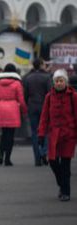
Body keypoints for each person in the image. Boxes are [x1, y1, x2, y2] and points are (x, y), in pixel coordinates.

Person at [38, 69, 77, 202]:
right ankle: (62, 184)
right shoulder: (49, 97)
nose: (59, 83)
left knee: (65, 164)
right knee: (53, 161)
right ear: (53, 83)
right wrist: (41, 134)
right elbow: (44, 117)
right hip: (54, 135)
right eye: (56, 81)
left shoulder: (73, 96)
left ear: (66, 82)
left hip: (68, 135)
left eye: (61, 81)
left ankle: (66, 191)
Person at [0, 64, 28, 166]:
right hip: (13, 108)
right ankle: (7, 159)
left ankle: (0, 155)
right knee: (10, 135)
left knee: (3, 134)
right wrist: (24, 110)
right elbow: (21, 100)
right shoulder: (17, 83)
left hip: (1, 107)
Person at [23, 58, 51, 166]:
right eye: (44, 64)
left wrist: (28, 104)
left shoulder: (28, 78)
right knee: (45, 130)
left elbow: (25, 95)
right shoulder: (47, 77)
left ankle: (37, 158)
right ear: (40, 65)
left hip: (32, 106)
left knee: (35, 132)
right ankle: (44, 151)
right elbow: (50, 93)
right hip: (44, 107)